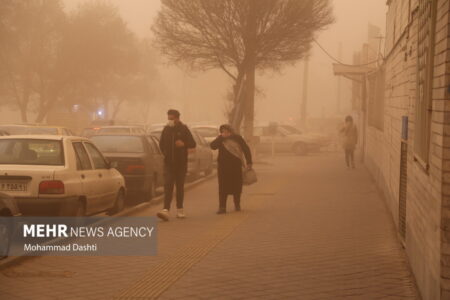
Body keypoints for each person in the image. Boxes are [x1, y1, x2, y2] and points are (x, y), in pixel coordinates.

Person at [157, 109, 196, 221]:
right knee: (168, 186)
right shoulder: (166, 129)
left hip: (181, 164)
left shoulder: (184, 129)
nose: (169, 121)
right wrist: (165, 153)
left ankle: (180, 210)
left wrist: (184, 144)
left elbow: (193, 143)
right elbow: (161, 144)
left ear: (177, 118)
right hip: (169, 163)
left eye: (171, 119)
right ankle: (165, 209)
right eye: (168, 118)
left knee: (179, 187)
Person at [210, 124, 252, 214]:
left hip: (236, 166)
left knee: (237, 186)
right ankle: (222, 207)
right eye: (222, 131)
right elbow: (212, 146)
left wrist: (249, 162)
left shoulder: (237, 138)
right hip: (223, 167)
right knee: (222, 187)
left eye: (226, 131)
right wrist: (221, 138)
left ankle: (237, 204)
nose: (224, 133)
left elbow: (246, 149)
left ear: (230, 131)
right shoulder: (220, 139)